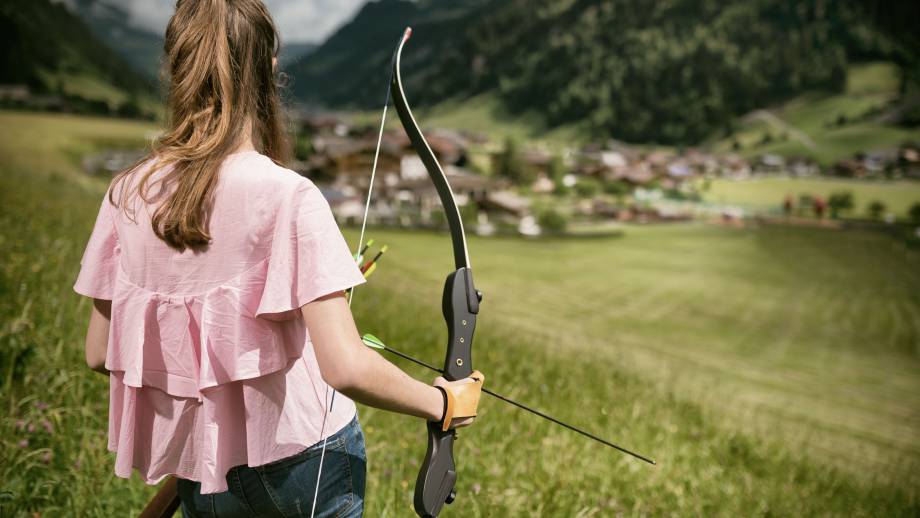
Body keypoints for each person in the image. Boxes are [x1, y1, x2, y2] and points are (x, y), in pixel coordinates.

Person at [72, 1, 484, 516]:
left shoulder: (127, 192)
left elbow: (98, 352)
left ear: (175, 64)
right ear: (269, 67)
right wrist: (445, 403)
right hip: (300, 460)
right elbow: (346, 367)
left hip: (203, 462)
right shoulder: (288, 194)